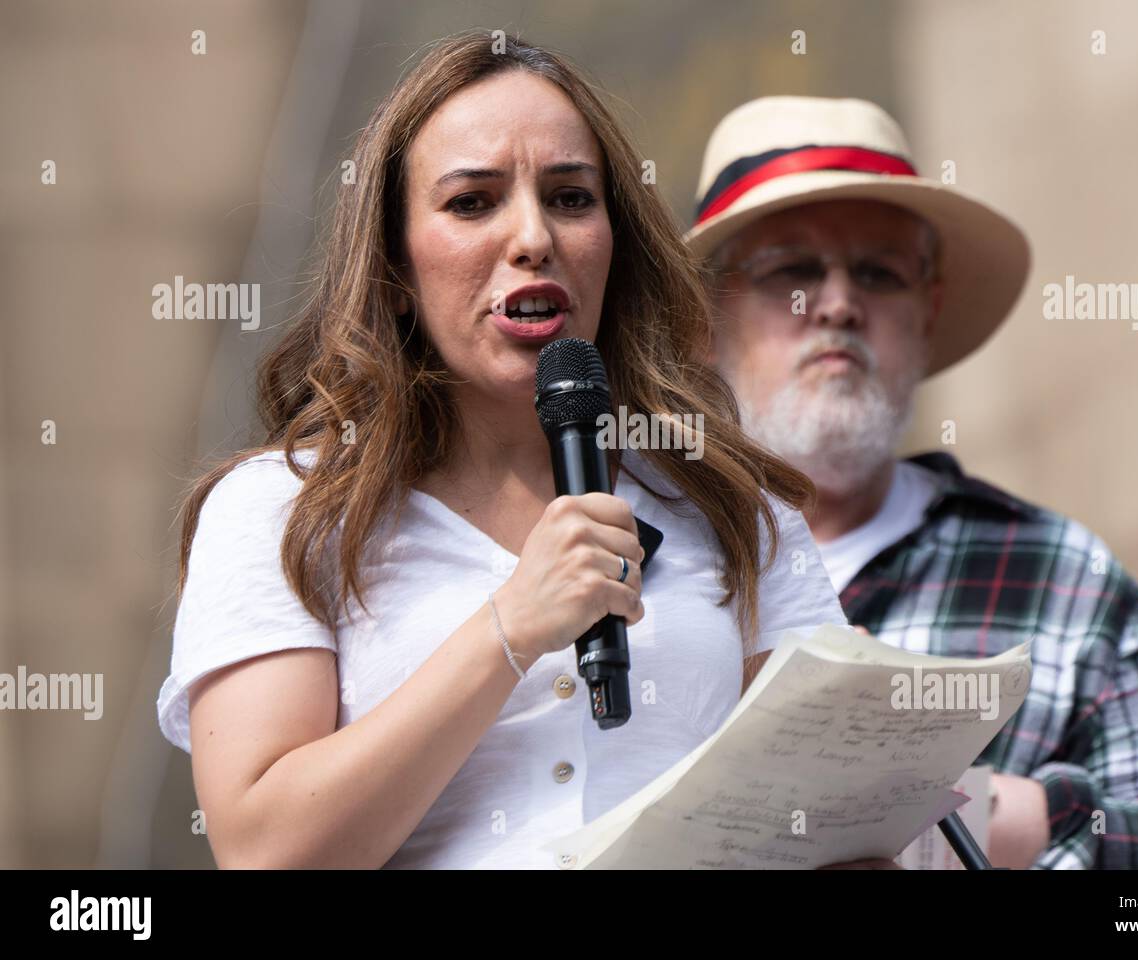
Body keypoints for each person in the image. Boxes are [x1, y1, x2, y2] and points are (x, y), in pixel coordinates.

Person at [156, 36, 853, 870]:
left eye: (569, 197)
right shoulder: (279, 510)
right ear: (395, 264)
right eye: (473, 203)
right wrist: (511, 627)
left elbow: (838, 794)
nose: (534, 237)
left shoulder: (732, 502)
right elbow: (266, 852)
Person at [691, 95, 1138, 869]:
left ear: (928, 311)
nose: (836, 303)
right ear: (702, 320)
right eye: (792, 270)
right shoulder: (633, 569)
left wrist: (990, 817)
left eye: (878, 273)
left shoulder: (1065, 581)